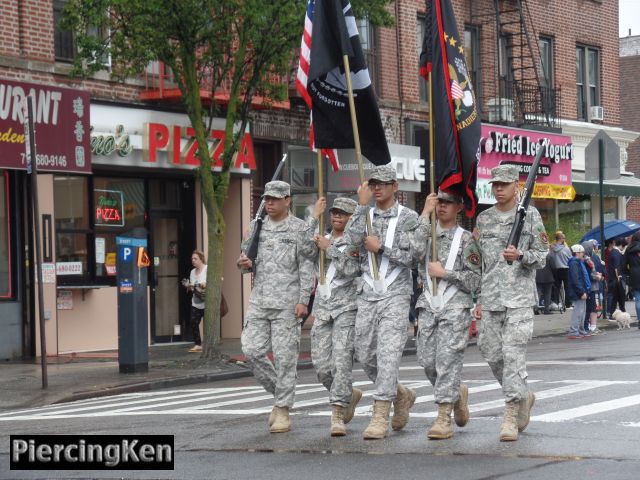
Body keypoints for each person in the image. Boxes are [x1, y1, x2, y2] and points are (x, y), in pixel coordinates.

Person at [342, 164, 424, 440]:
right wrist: (358, 207)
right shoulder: (364, 214)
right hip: (367, 293)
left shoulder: (408, 217)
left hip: (396, 293)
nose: (377, 188)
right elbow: (350, 243)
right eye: (373, 183)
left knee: (388, 354)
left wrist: (382, 249)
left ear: (395, 187)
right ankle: (401, 394)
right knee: (364, 353)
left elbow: (415, 257)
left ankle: (380, 414)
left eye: (383, 184)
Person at [473, 164, 548, 442]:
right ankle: (523, 396)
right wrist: (476, 298)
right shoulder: (484, 219)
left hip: (518, 299)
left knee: (513, 354)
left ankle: (511, 414)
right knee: (492, 353)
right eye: (495, 184)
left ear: (517, 186)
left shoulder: (531, 216)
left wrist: (521, 255)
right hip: (491, 298)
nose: (499, 189)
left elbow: (542, 255)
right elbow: (477, 263)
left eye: (504, 184)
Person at [236, 180, 315, 434]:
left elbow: (306, 267)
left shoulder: (300, 229)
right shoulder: (256, 227)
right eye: (267, 199)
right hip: (259, 301)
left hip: (287, 304)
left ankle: (282, 409)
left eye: (274, 199)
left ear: (287, 200)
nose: (269, 203)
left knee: (284, 358)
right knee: (251, 350)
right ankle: (280, 395)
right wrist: (244, 263)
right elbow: (244, 261)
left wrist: (303, 300)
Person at [415, 190, 480, 440]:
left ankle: (443, 417)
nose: (442, 206)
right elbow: (412, 251)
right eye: (439, 202)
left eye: (447, 202)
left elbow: (474, 280)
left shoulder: (466, 240)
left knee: (447, 361)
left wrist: (446, 274)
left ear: (459, 207)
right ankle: (456, 394)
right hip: (428, 305)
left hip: (455, 306)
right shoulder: (426, 234)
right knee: (426, 361)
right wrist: (424, 214)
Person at [308, 196, 362, 437]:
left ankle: (338, 413)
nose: (337, 216)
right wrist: (312, 218)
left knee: (341, 362)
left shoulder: (354, 242)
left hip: (346, 308)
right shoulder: (322, 238)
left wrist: (328, 250)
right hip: (322, 307)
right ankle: (348, 395)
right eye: (334, 213)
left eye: (343, 213)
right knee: (321, 367)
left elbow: (351, 269)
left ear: (351, 217)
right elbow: (301, 249)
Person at [181, 250, 207, 353]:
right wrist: (188, 285)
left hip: (206, 302)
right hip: (196, 302)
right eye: (192, 259)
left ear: (201, 259)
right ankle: (198, 344)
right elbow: (192, 287)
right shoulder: (192, 272)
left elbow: (209, 283)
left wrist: (201, 285)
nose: (193, 260)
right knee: (193, 322)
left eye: (195, 258)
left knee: (208, 324)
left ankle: (209, 344)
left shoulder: (207, 269)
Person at [566, 244, 592, 339]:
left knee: (582, 311)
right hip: (578, 292)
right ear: (577, 253)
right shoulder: (574, 263)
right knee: (578, 311)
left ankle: (580, 330)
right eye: (582, 252)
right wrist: (581, 292)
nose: (583, 254)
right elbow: (576, 279)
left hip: (580, 290)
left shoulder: (577, 262)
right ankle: (574, 331)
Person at [581, 239, 604, 334]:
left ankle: (587, 326)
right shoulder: (589, 260)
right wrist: (598, 276)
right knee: (594, 307)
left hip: (585, 287)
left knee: (587, 308)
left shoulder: (582, 259)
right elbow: (591, 274)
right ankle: (592, 327)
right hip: (593, 286)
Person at [550, 231, 572, 309]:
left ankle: (556, 303)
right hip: (565, 269)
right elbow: (570, 259)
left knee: (557, 287)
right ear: (561, 239)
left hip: (556, 269)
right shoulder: (566, 249)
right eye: (564, 238)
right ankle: (568, 304)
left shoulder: (552, 248)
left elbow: (551, 258)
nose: (564, 239)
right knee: (567, 287)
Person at [623, 231, 640, 329]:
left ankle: (639, 320)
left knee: (638, 299)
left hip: (634, 275)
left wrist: (628, 273)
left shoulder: (629, 249)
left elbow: (623, 264)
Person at [606, 238, 626, 318]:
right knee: (615, 297)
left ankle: (611, 312)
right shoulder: (616, 253)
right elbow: (616, 268)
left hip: (611, 278)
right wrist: (618, 278)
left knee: (613, 296)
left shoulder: (613, 252)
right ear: (622, 245)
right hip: (615, 279)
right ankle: (611, 313)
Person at [535, 247, 555, 314]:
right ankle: (546, 309)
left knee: (537, 293)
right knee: (547, 294)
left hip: (538, 277)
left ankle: (535, 309)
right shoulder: (550, 256)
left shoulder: (536, 255)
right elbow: (554, 267)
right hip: (548, 277)